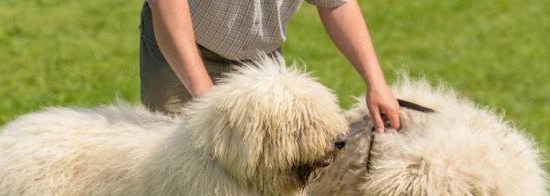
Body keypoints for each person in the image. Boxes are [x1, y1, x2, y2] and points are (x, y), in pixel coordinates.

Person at [140, 0, 400, 132]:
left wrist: (375, 82)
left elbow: (336, 3)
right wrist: (207, 97)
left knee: (263, 177)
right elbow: (167, 5)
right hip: (183, 48)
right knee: (175, 169)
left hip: (260, 59)